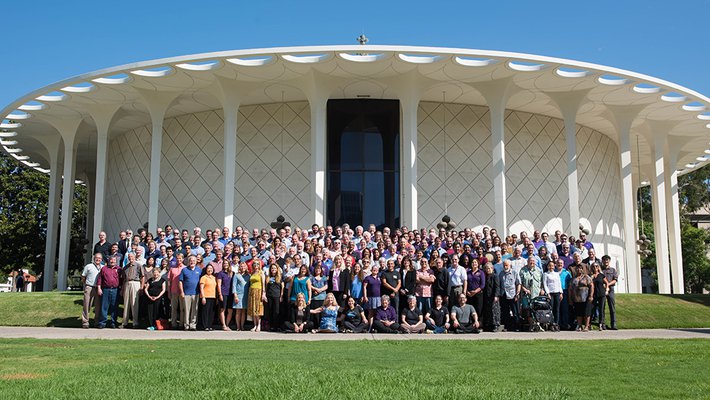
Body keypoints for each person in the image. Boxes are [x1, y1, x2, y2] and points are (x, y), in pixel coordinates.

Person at [97, 256, 122, 329]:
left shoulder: (119, 269)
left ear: (116, 261)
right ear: (109, 260)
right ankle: (102, 323)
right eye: (111, 260)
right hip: (105, 289)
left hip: (115, 290)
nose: (112, 261)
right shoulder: (104, 269)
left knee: (114, 307)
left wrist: (122, 289)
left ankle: (113, 322)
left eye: (114, 260)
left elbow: (122, 280)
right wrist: (99, 288)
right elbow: (100, 279)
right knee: (104, 306)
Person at [121, 253, 144, 329]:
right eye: (129, 257)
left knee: (134, 303)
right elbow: (123, 279)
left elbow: (142, 277)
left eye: (131, 256)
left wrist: (141, 287)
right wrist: (122, 288)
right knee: (126, 303)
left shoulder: (138, 265)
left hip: (135, 283)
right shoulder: (125, 267)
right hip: (127, 283)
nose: (130, 258)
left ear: (134, 257)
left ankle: (135, 322)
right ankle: (125, 322)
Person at [179, 255, 202, 331]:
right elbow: (180, 282)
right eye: (191, 260)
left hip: (196, 293)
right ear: (188, 262)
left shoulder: (199, 270)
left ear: (196, 262)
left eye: (194, 260)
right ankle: (186, 325)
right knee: (186, 310)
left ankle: (193, 325)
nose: (192, 262)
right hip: (186, 293)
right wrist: (182, 292)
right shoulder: (184, 270)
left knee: (194, 310)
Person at [81, 253, 103, 329]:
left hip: (99, 288)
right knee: (87, 305)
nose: (98, 259)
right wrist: (86, 285)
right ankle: (85, 322)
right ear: (94, 258)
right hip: (89, 287)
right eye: (97, 258)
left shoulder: (103, 267)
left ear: (101, 259)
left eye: (99, 258)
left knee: (98, 306)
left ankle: (96, 322)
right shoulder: (88, 266)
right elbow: (83, 277)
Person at [569, 265, 594, 332]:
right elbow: (570, 289)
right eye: (577, 269)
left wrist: (591, 295)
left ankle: (586, 326)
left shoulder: (586, 277)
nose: (578, 270)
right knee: (578, 312)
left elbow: (591, 286)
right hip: (577, 298)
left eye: (580, 268)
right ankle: (579, 325)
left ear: (582, 269)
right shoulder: (573, 278)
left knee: (586, 312)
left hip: (586, 297)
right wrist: (570, 298)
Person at [498, 259, 520, 331]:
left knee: (515, 312)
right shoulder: (501, 274)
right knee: (505, 312)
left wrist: (517, 293)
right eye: (504, 265)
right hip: (503, 295)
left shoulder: (514, 273)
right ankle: (507, 327)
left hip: (512, 294)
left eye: (506, 265)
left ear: (510, 265)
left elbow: (518, 283)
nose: (505, 266)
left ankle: (516, 326)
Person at [247, 259, 266, 332]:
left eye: (257, 264)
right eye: (254, 264)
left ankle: (259, 325)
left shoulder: (261, 273)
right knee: (253, 309)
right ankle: (254, 325)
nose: (256, 265)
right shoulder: (252, 273)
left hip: (258, 291)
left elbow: (263, 284)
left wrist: (263, 293)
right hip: (252, 291)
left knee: (258, 309)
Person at [542, 260, 563, 327]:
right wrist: (547, 293)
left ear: (554, 266)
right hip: (550, 293)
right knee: (550, 309)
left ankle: (556, 323)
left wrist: (561, 293)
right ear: (547, 266)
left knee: (557, 309)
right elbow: (545, 284)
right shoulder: (545, 274)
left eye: (552, 266)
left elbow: (559, 284)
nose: (551, 267)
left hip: (557, 292)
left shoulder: (556, 274)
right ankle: (551, 323)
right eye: (549, 266)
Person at [481, 263, 501, 332]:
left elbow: (497, 287)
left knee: (495, 311)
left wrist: (496, 295)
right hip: (487, 296)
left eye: (489, 268)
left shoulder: (495, 276)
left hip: (493, 296)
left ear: (492, 268)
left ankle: (496, 325)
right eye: (486, 268)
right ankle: (489, 325)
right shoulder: (486, 276)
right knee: (488, 311)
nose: (488, 270)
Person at [601, 255, 619, 330]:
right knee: (602, 307)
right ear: (602, 261)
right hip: (602, 290)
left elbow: (615, 280)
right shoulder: (601, 270)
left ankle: (613, 324)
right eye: (604, 260)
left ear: (609, 261)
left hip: (610, 289)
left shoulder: (613, 270)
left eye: (607, 260)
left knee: (612, 307)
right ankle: (602, 324)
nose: (606, 261)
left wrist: (608, 284)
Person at [265, 263, 284, 332]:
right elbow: (266, 287)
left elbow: (282, 287)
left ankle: (277, 326)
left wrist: (281, 296)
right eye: (272, 268)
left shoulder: (279, 277)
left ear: (277, 269)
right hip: (269, 296)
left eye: (275, 268)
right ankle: (271, 326)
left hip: (277, 296)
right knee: (270, 311)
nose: (273, 269)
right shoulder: (268, 277)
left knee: (276, 311)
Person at [215, 259, 233, 331]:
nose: (225, 264)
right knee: (222, 309)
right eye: (224, 263)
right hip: (223, 293)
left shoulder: (232, 273)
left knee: (230, 310)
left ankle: (227, 324)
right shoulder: (220, 273)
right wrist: (220, 294)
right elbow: (218, 284)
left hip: (230, 294)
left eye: (227, 263)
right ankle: (223, 325)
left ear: (229, 264)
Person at [199, 264, 218, 331]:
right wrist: (203, 297)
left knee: (211, 312)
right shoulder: (204, 277)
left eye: (211, 269)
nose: (210, 270)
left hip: (213, 297)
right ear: (206, 270)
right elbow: (201, 288)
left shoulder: (214, 277)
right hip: (206, 296)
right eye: (208, 268)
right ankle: (205, 326)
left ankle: (210, 325)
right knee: (205, 312)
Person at [231, 262, 249, 331]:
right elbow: (234, 286)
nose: (242, 267)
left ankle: (242, 326)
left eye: (244, 266)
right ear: (239, 267)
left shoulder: (248, 275)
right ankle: (238, 326)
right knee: (238, 311)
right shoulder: (236, 275)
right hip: (238, 295)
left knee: (244, 311)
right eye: (241, 266)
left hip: (246, 295)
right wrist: (235, 295)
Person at [591, 263, 608, 330]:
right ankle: (589, 323)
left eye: (596, 266)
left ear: (598, 267)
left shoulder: (601, 275)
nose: (595, 268)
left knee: (601, 309)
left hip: (601, 293)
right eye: (593, 266)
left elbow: (606, 283)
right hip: (594, 294)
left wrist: (607, 289)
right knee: (592, 309)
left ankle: (601, 323)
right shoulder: (591, 276)